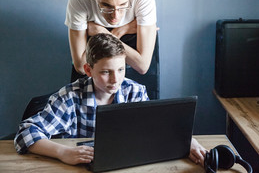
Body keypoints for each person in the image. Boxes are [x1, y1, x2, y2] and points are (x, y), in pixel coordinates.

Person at [14, 33, 206, 166]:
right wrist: (63, 152)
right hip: (80, 171)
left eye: (121, 70)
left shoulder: (135, 92)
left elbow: (156, 128)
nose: (115, 80)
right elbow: (25, 134)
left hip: (124, 167)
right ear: (88, 70)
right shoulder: (70, 97)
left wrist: (188, 141)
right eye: (106, 72)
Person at [65, 0, 157, 82]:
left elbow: (142, 66)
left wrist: (102, 32)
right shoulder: (78, 0)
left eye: (122, 5)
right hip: (94, 55)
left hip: (131, 48)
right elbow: (81, 66)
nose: (116, 16)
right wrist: (124, 29)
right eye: (107, 6)